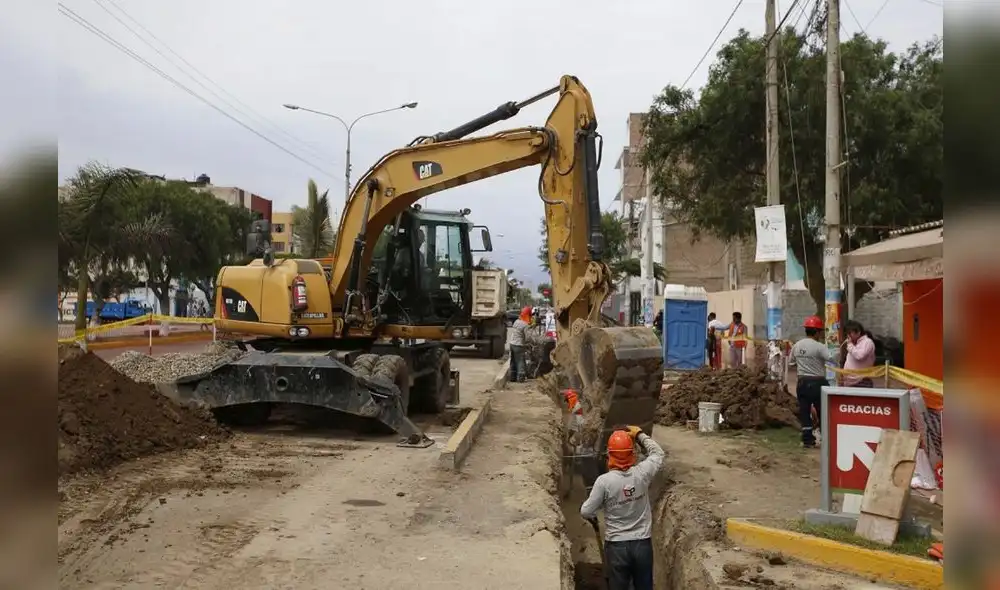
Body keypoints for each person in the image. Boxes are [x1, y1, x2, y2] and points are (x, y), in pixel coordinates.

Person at [581, 426, 665, 590]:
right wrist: (640, 435)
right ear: (632, 454)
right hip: (642, 545)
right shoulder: (642, 473)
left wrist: (595, 513)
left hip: (617, 547)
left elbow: (586, 511)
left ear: (610, 455)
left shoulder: (604, 482)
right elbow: (658, 454)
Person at [792, 316, 832, 448]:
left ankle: (807, 440)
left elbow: (792, 362)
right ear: (816, 332)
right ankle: (825, 437)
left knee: (804, 411)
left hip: (802, 383)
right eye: (820, 331)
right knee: (822, 411)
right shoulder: (820, 347)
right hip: (817, 382)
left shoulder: (797, 345)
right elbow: (831, 359)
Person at [842, 319, 876, 387]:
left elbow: (860, 356)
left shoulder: (867, 342)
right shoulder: (853, 344)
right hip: (849, 381)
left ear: (858, 332)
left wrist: (850, 345)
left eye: (850, 333)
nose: (848, 336)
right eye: (846, 334)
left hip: (861, 381)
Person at [507, 306, 532, 382]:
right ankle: (521, 378)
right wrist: (529, 345)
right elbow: (527, 337)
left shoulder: (516, 322)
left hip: (512, 344)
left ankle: (512, 377)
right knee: (520, 360)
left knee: (513, 361)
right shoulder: (525, 325)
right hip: (519, 345)